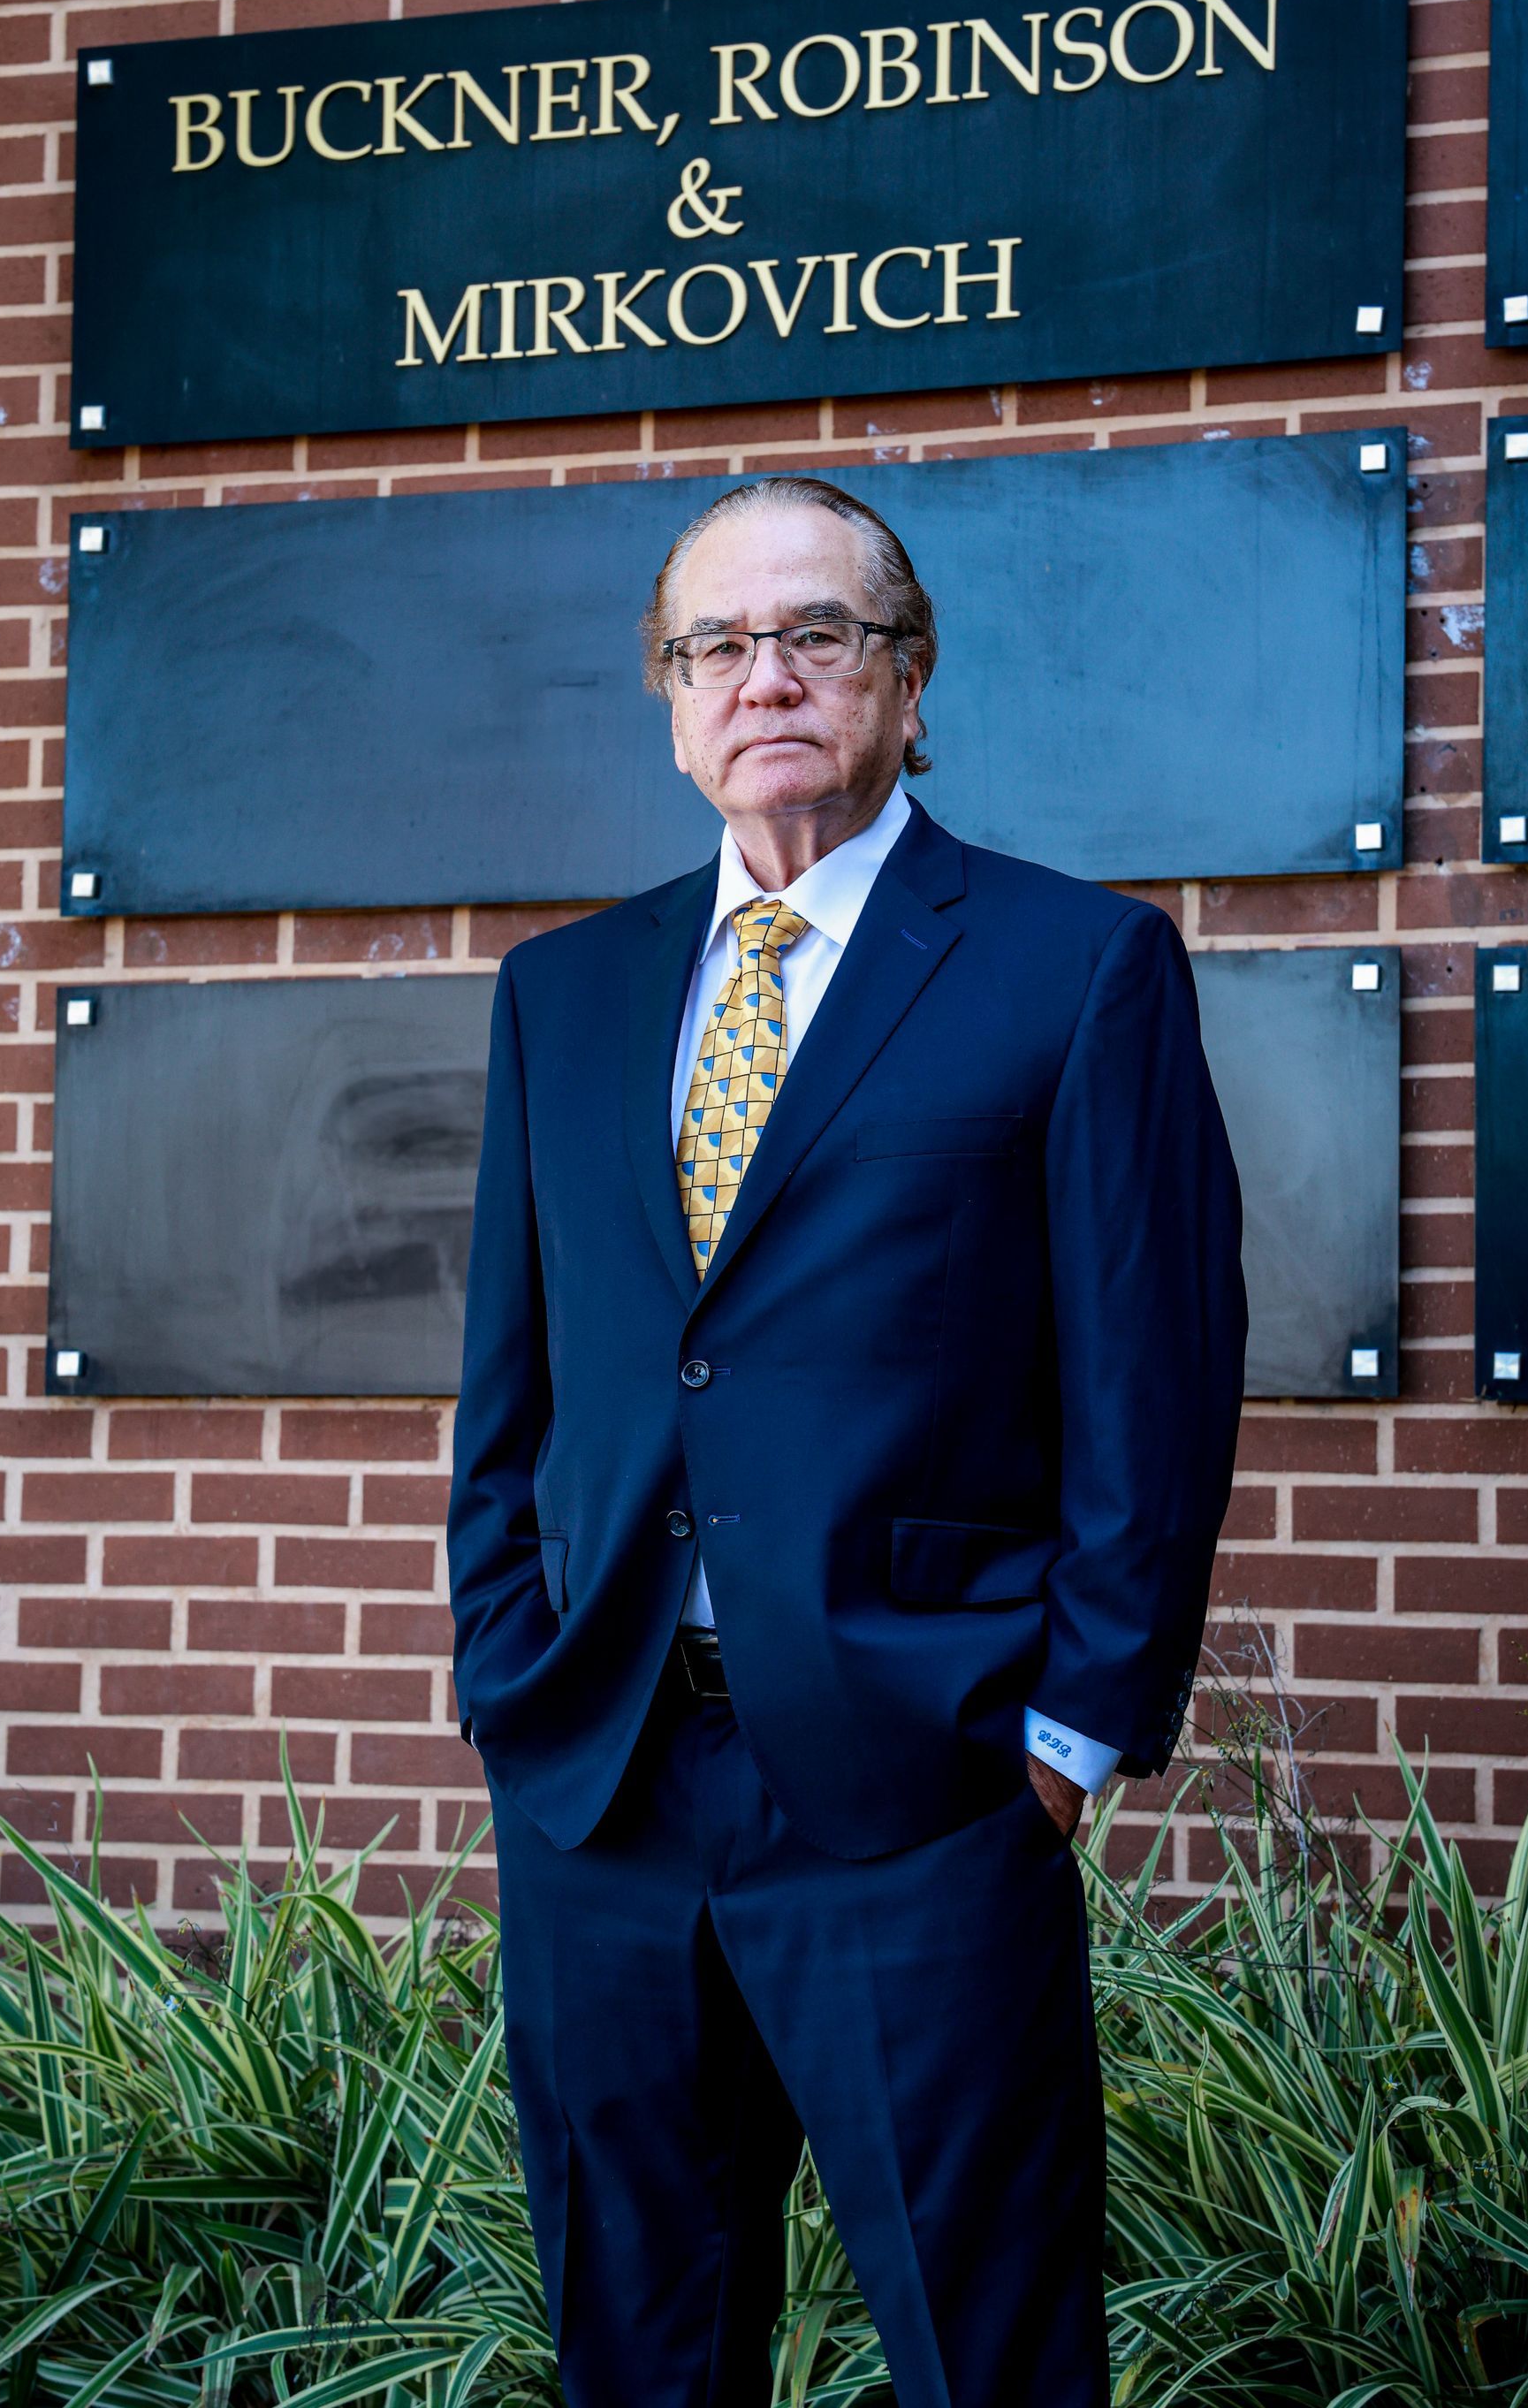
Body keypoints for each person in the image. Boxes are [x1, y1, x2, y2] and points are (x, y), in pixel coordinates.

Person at [446, 474, 1246, 2407]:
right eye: (717, 644)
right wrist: (508, 1676)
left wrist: (1066, 1747)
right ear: (669, 696)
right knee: (637, 2354)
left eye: (818, 633)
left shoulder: (1074, 967)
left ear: (907, 678)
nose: (765, 676)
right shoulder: (566, 992)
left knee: (986, 2357)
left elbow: (1158, 1375)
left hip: (927, 1788)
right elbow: (513, 1387)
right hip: (609, 1786)